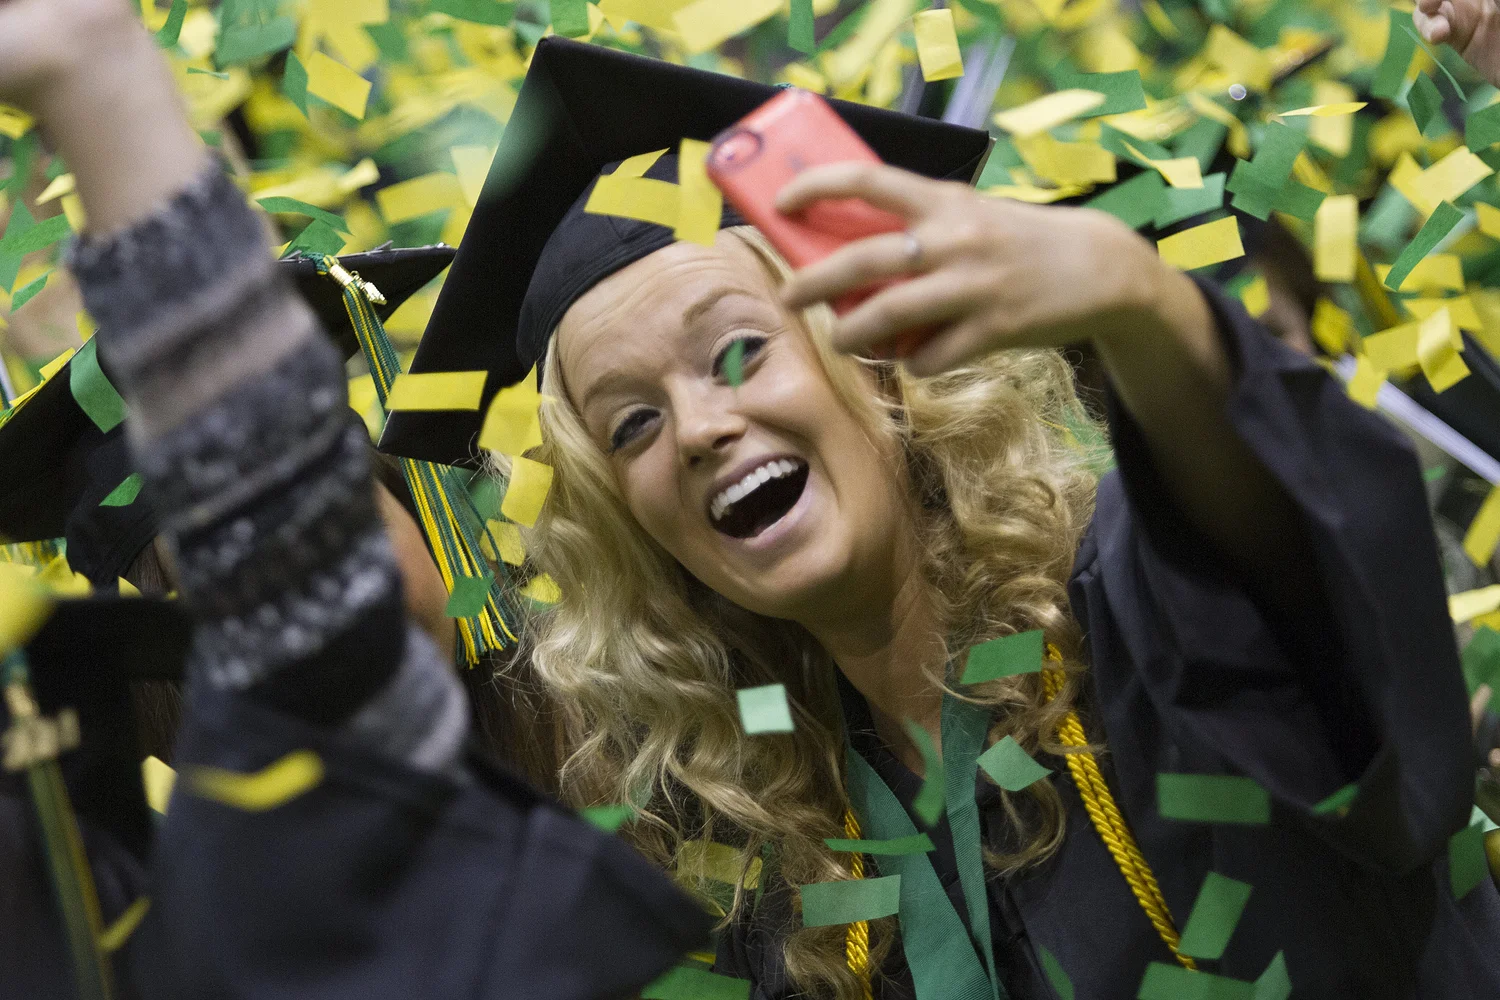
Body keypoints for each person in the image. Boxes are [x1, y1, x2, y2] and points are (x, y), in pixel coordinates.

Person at [380, 37, 1500, 999]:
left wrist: (1148, 306)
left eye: (739, 352)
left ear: (876, 360)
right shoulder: (767, 854)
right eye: (632, 425)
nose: (701, 428)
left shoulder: (1132, 613)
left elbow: (1294, 573)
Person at [0, 3, 709, 997]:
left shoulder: (667, 736)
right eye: (229, 592)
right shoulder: (195, 943)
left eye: (346, 523)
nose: (326, 593)